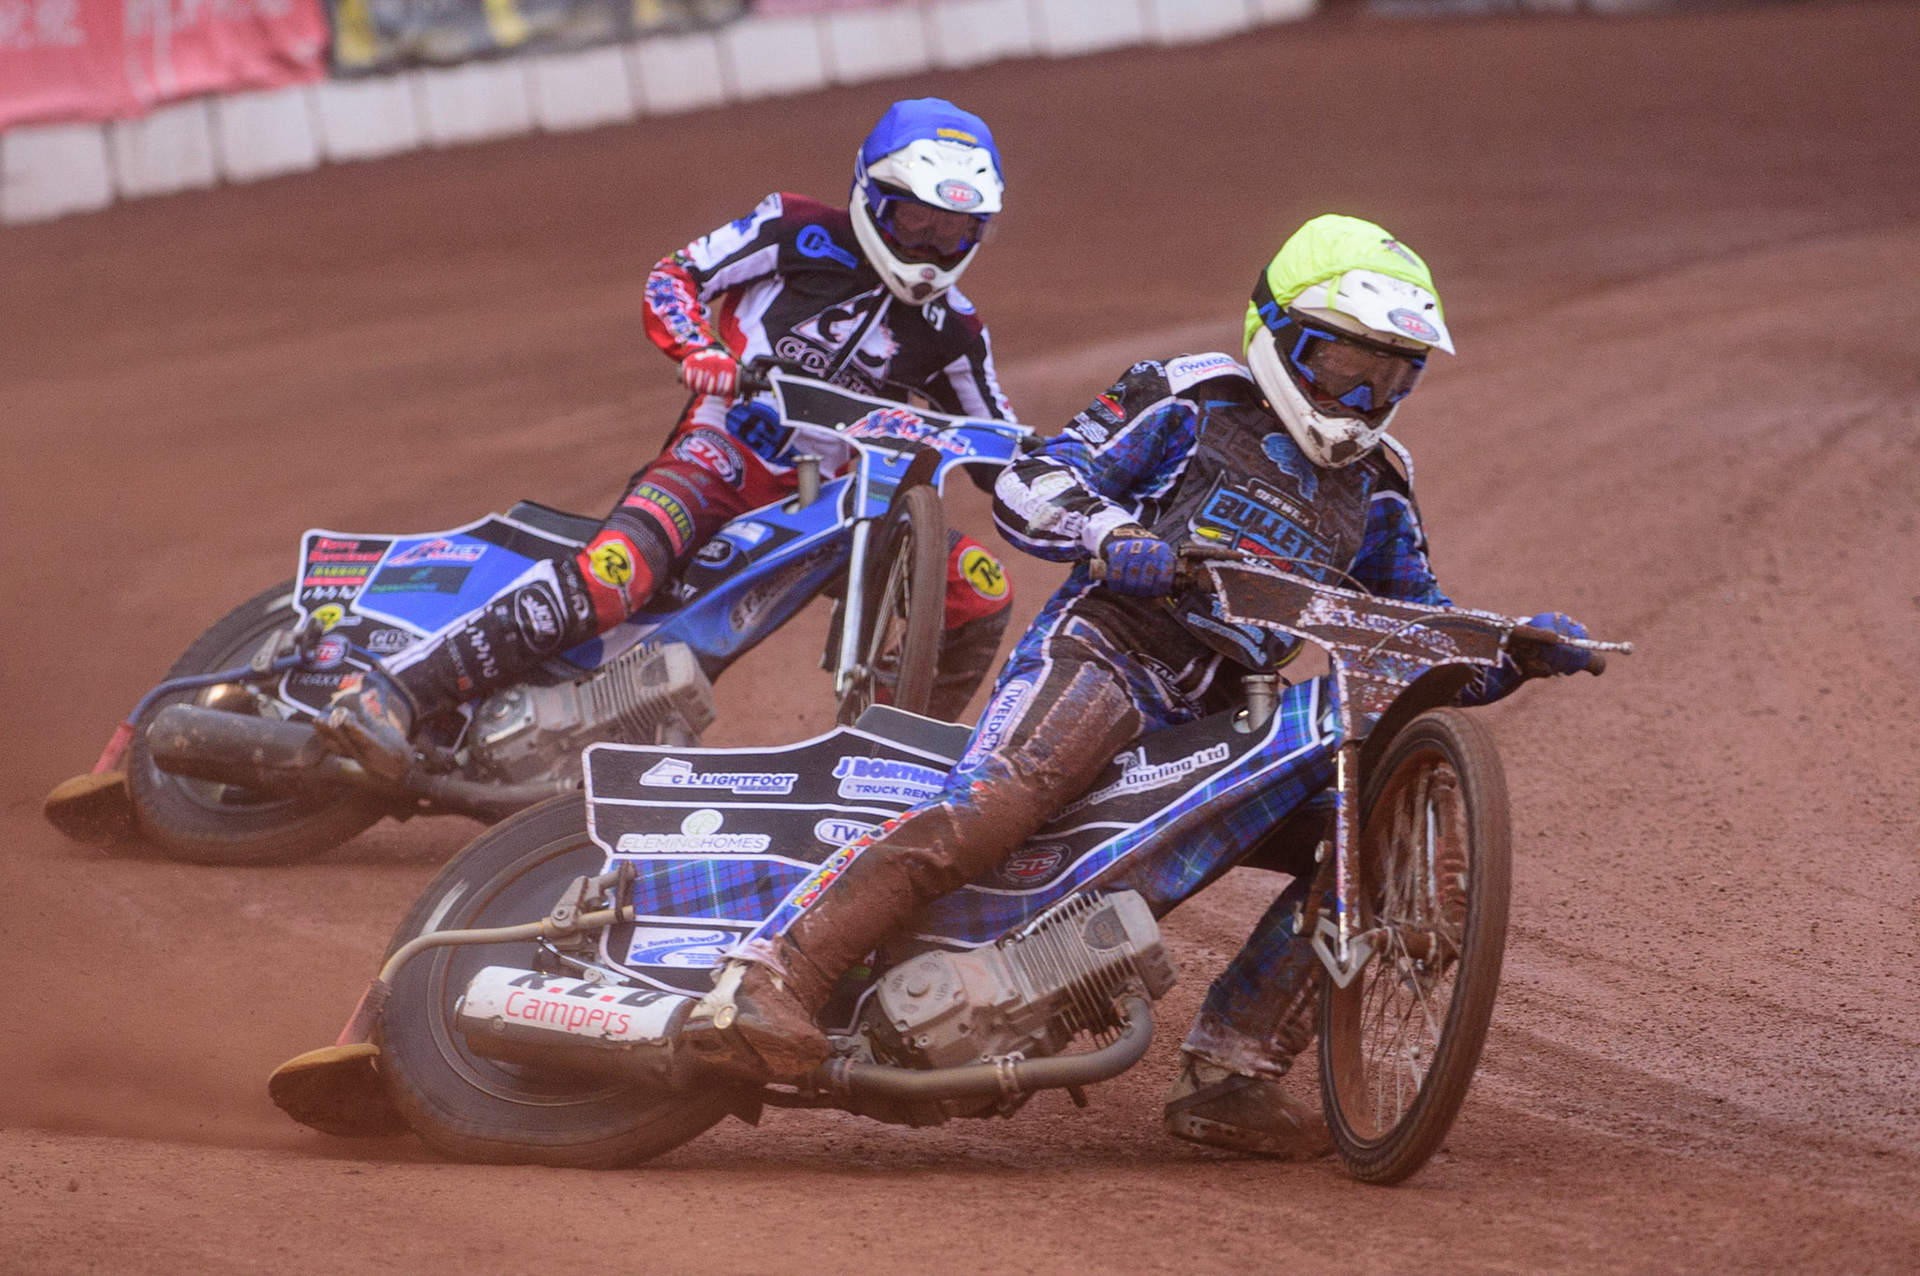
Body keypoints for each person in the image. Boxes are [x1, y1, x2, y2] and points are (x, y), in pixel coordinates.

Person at [677, 214, 1596, 1159]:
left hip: (1226, 716)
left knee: (1359, 838)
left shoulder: (1383, 485)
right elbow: (1037, 479)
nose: (1366, 396)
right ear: (1279, 334)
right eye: (1347, 365)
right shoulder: (1190, 399)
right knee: (997, 801)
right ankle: (773, 973)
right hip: (1107, 655)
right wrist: (1114, 538)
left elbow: (1408, 630)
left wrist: (1513, 650)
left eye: (1395, 374)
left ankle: (1230, 1073)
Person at [316, 98, 1018, 776]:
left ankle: (880, 763)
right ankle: (393, 692)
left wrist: (1074, 479)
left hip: (832, 509)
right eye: (916, 222)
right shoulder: (793, 227)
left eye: (953, 232)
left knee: (981, 592)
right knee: (612, 579)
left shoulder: (957, 331)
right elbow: (676, 275)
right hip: (717, 458)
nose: (930, 248)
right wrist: (699, 349)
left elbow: (1003, 445)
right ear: (871, 196)